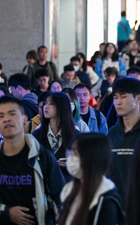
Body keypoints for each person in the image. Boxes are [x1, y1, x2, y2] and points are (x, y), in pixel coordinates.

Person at [0, 96, 65, 225]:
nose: (6, 119)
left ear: (24, 119)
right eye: (1, 116)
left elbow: (60, 198)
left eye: (12, 114)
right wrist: (6, 212)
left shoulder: (42, 156)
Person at [59, 133, 124, 225]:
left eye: (75, 153)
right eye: (70, 152)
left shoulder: (106, 198)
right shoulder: (69, 189)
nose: (70, 158)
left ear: (90, 157)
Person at [32, 92, 79, 180]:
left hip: (68, 185)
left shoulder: (75, 135)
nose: (46, 106)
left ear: (62, 107)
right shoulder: (36, 135)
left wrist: (72, 163)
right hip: (44, 185)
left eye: (51, 103)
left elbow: (85, 163)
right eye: (45, 103)